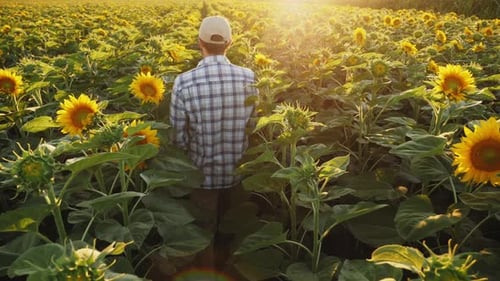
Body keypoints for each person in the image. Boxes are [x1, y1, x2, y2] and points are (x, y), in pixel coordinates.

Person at [169, 15, 258, 271]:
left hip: (202, 175)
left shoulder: (184, 82)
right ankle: (237, 269)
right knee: (239, 228)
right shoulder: (249, 77)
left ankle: (208, 271)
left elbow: (178, 136)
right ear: (230, 43)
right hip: (239, 173)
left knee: (202, 231)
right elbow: (253, 125)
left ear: (200, 43)